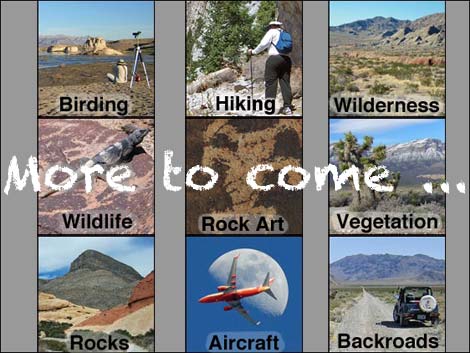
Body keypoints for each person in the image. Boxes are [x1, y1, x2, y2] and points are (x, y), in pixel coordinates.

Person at [248, 20, 293, 115]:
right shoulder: (285, 33)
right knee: (285, 83)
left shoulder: (272, 32)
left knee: (271, 83)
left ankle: (270, 107)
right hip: (286, 60)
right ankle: (287, 108)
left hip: (274, 59)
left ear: (272, 26)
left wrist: (253, 52)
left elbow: (263, 44)